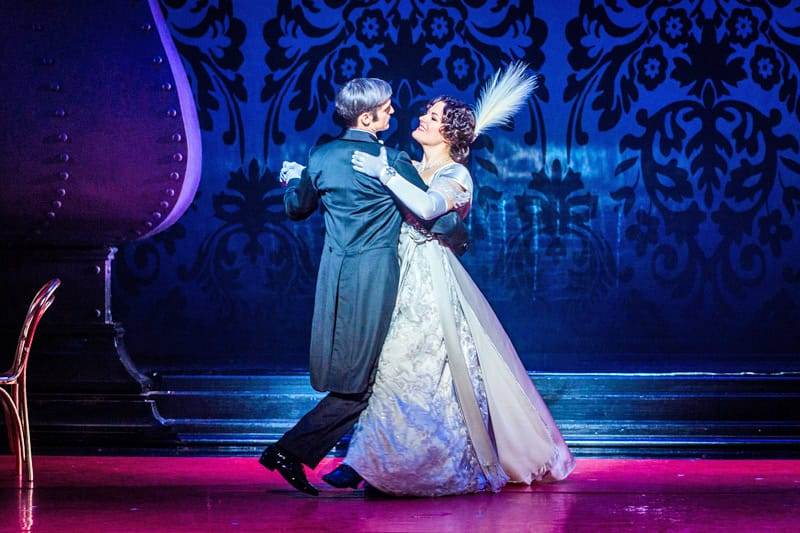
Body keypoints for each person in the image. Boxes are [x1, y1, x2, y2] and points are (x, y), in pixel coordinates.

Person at [336, 63, 576, 496]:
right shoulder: (404, 163)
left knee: (410, 362)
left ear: (449, 135)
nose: (423, 117)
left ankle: (376, 461)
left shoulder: (456, 176)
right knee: (381, 362)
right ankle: (369, 457)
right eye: (427, 112)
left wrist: (385, 174)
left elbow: (428, 209)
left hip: (427, 276)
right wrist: (307, 176)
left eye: (434, 116)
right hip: (390, 268)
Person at [259, 78, 468, 496]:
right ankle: (293, 450)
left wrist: (298, 181)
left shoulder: (321, 156)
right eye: (387, 109)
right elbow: (437, 218)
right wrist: (457, 233)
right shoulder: (394, 161)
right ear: (367, 116)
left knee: (355, 369)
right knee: (366, 377)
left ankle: (354, 459)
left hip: (334, 274)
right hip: (376, 277)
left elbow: (297, 208)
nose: (395, 113)